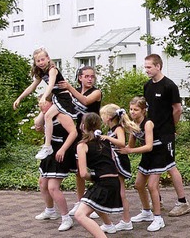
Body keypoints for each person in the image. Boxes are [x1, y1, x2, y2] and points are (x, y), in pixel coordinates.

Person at [142, 54, 190, 217]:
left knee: (170, 167)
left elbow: (177, 109)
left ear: (158, 66)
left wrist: (171, 127)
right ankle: (158, 201)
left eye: (149, 67)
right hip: (151, 134)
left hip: (166, 134)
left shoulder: (169, 86)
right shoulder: (147, 86)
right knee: (153, 167)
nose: (146, 70)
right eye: (145, 67)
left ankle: (182, 202)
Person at [14, 48, 78, 160]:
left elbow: (51, 84)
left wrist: (44, 97)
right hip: (56, 97)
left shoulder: (53, 70)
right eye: (38, 61)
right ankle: (49, 139)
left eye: (42, 59)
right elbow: (32, 86)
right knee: (38, 122)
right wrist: (20, 98)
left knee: (48, 115)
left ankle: (47, 146)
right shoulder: (40, 72)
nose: (41, 63)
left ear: (48, 59)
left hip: (64, 97)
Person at [58, 66, 102, 218]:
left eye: (92, 76)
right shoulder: (74, 91)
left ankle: (97, 203)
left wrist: (69, 88)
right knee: (79, 170)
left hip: (92, 135)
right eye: (87, 76)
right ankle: (80, 201)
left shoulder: (96, 92)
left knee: (94, 168)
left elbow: (85, 100)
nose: (90, 79)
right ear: (80, 78)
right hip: (78, 134)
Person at [73, 113, 124, 237]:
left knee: (79, 215)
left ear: (82, 126)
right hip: (115, 180)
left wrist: (94, 177)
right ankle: (108, 225)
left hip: (104, 182)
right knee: (93, 202)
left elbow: (83, 173)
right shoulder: (105, 141)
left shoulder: (82, 145)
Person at [121, 97, 165, 232]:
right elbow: (130, 145)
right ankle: (146, 212)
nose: (132, 112)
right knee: (139, 185)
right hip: (147, 157)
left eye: (136, 110)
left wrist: (130, 150)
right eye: (131, 109)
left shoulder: (148, 124)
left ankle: (158, 218)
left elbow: (149, 146)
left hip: (158, 155)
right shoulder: (133, 124)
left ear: (144, 110)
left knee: (152, 186)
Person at [33, 94, 77, 232]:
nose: (40, 105)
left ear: (52, 102)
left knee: (53, 187)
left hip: (61, 150)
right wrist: (42, 112)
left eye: (43, 103)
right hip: (50, 151)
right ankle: (50, 210)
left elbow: (73, 132)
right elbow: (38, 124)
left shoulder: (62, 115)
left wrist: (63, 149)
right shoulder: (48, 116)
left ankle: (66, 218)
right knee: (43, 183)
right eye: (39, 103)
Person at [99, 104, 141, 232]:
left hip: (119, 161)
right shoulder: (111, 129)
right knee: (118, 191)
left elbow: (122, 143)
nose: (102, 118)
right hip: (113, 160)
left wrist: (107, 138)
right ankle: (125, 219)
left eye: (103, 116)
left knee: (121, 192)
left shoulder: (118, 129)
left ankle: (126, 220)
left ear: (109, 117)